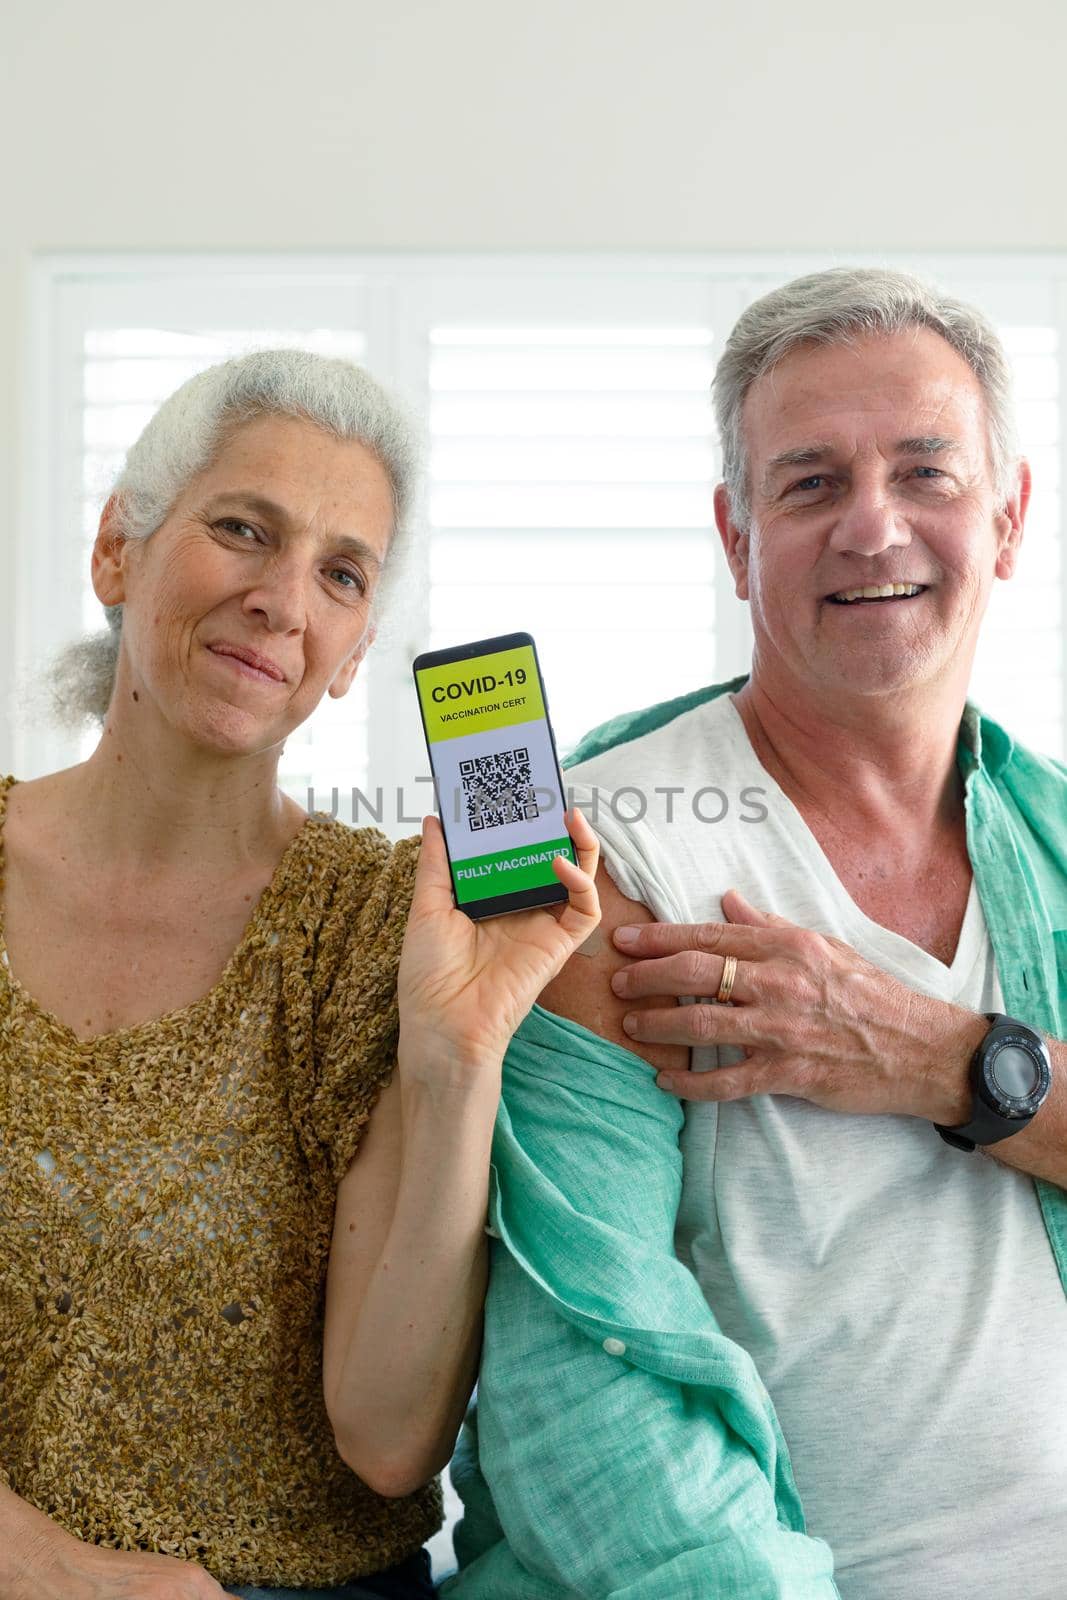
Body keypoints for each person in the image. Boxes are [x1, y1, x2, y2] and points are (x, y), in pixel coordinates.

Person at [445, 268, 1067, 1599]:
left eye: (922, 474)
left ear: (1006, 520)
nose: (869, 527)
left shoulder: (1050, 837)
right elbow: (582, 1399)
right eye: (806, 485)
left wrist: (947, 1060)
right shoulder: (611, 856)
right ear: (733, 539)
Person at [0, 349, 600, 1600]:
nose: (281, 598)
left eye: (338, 572)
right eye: (241, 529)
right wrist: (65, 1571)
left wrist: (457, 1053)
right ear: (118, 548)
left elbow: (385, 1441)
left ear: (348, 654)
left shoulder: (380, 921)